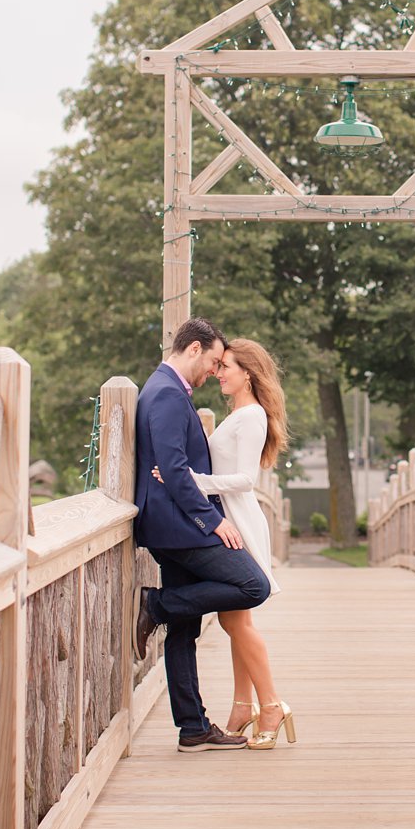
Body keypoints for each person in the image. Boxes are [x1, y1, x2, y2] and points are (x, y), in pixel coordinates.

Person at [133, 317, 270, 753]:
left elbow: (176, 467)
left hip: (172, 522)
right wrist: (213, 522)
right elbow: (173, 470)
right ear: (194, 349)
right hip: (180, 527)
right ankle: (156, 603)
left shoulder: (161, 389)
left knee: (183, 629)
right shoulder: (169, 394)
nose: (213, 370)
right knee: (253, 585)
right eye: (213, 360)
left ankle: (192, 728)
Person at [154, 338, 295, 750]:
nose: (218, 372)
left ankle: (270, 704)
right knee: (237, 621)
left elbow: (247, 480)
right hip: (225, 517)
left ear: (247, 373)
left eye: (226, 367)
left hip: (238, 521)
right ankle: (242, 705)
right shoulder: (238, 414)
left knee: (237, 620)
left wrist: (191, 481)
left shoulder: (251, 416)